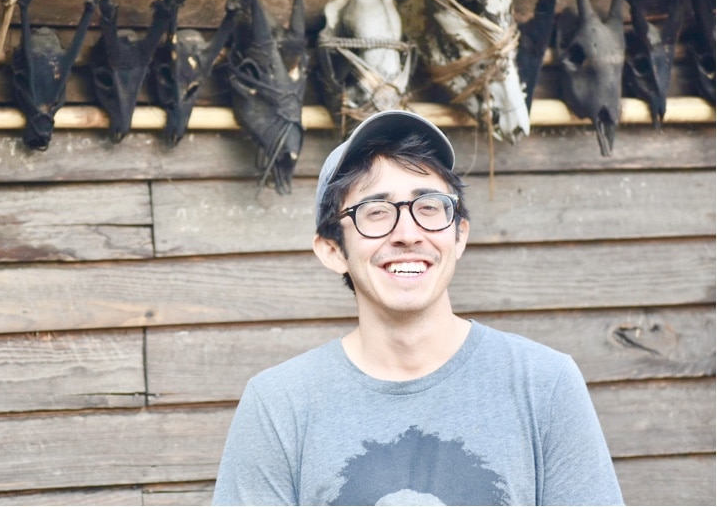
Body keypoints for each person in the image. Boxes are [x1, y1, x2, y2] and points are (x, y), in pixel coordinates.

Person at [212, 110, 624, 506]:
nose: (407, 233)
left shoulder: (546, 385)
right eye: (375, 212)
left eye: (429, 207)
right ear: (334, 250)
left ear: (459, 235)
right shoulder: (279, 405)